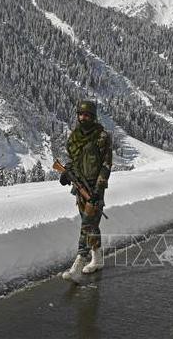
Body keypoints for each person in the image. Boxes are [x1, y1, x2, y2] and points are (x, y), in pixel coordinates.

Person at [60, 100, 113, 279]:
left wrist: (98, 189)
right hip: (79, 187)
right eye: (81, 114)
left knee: (86, 224)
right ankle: (97, 259)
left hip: (95, 187)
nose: (84, 117)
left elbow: (106, 165)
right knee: (90, 224)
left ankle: (80, 260)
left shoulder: (102, 137)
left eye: (88, 115)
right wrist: (66, 173)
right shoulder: (74, 137)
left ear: (93, 116)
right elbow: (71, 161)